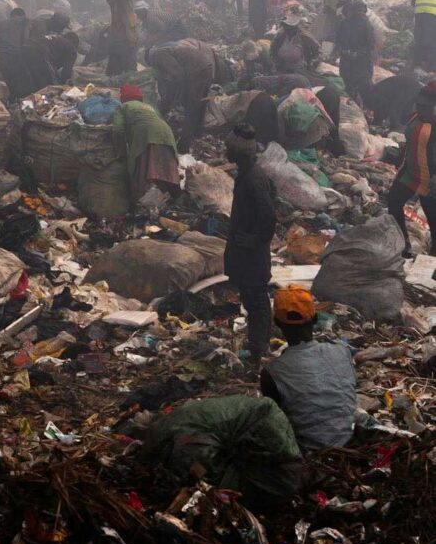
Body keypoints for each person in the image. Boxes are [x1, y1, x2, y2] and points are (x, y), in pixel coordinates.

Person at [260, 287, 356, 452]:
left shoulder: (271, 373)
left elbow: (278, 421)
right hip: (353, 443)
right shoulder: (342, 352)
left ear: (276, 322)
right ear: (315, 318)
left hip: (310, 454)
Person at [223, 124, 276, 361]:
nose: (226, 152)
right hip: (246, 252)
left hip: (252, 255)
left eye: (229, 149)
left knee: (256, 301)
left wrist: (254, 240)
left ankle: (258, 350)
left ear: (238, 152)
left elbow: (268, 216)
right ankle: (257, 345)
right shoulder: (248, 175)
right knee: (252, 298)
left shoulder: (253, 179)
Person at [385, 80, 436, 256]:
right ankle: (403, 245)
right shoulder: (416, 117)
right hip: (410, 172)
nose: (421, 109)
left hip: (430, 180)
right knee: (394, 201)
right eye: (420, 105)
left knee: (433, 218)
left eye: (426, 107)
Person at [147, 37, 222, 151]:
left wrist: (177, 95)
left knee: (191, 106)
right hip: (207, 66)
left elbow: (178, 74)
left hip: (197, 71)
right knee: (199, 103)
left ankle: (184, 144)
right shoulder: (165, 48)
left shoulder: (157, 55)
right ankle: (197, 134)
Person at [112, 83, 180, 204]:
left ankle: (142, 203)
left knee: (143, 171)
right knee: (166, 169)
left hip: (146, 136)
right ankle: (174, 197)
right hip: (167, 134)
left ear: (123, 97)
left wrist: (120, 151)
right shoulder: (148, 107)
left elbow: (118, 130)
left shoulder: (123, 107)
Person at [95, 0, 139, 77]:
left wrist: (131, 39)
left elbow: (129, 18)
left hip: (124, 39)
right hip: (117, 38)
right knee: (114, 71)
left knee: (129, 71)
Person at [335, 0, 375, 105]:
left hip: (361, 62)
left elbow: (370, 45)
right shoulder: (345, 24)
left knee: (363, 87)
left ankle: (364, 107)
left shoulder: (366, 25)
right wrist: (344, 51)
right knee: (349, 87)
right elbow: (338, 41)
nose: (360, 14)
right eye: (357, 11)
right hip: (349, 62)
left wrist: (357, 53)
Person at [0, 7, 32, 103]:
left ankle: (11, 101)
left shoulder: (1, 24)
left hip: (2, 58)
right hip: (16, 57)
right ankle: (17, 101)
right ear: (21, 16)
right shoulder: (23, 24)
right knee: (18, 81)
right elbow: (26, 41)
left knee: (9, 80)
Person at [269, 7, 320, 75]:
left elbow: (317, 51)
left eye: (289, 27)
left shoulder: (304, 38)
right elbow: (272, 51)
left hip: (299, 71)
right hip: (281, 69)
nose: (287, 28)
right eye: (285, 26)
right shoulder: (280, 36)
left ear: (295, 27)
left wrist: (311, 62)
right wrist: (276, 62)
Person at [412, 0, 436, 70]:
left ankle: (417, 62)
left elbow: (413, 1)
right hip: (432, 14)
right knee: (431, 39)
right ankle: (432, 66)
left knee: (419, 37)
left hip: (419, 13)